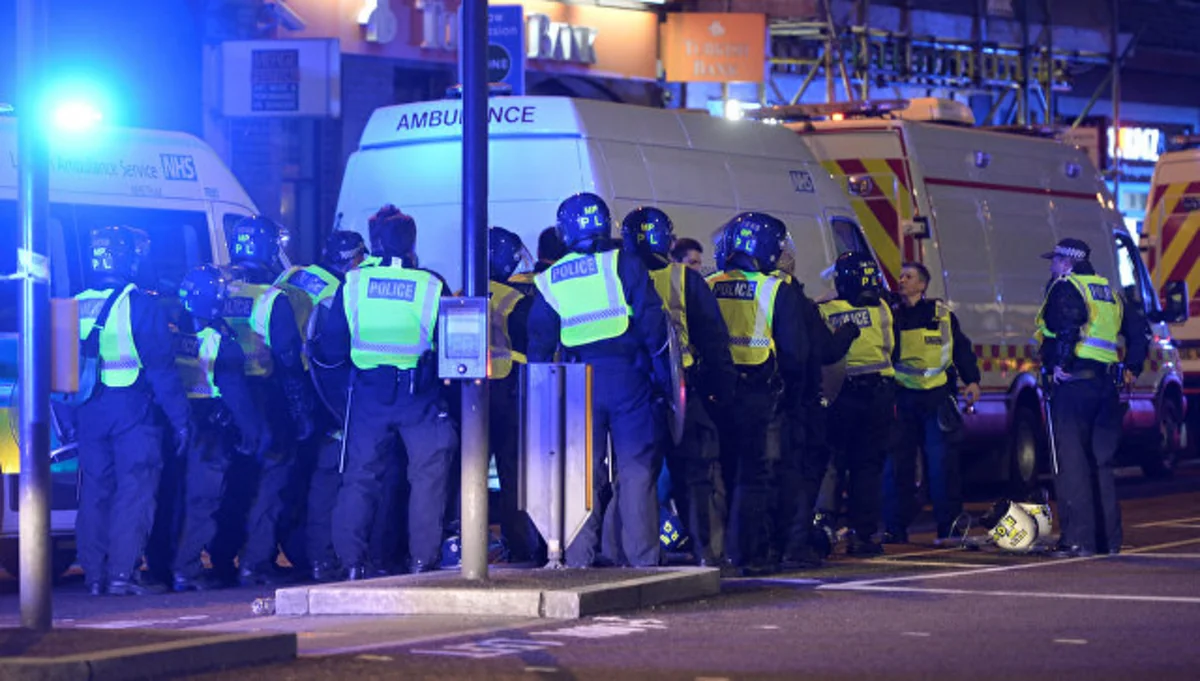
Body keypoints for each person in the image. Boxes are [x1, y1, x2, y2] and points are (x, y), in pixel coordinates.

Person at [527, 192, 670, 568]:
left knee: (580, 472)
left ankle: (578, 561)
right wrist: (662, 377)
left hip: (576, 383)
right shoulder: (625, 262)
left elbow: (540, 345)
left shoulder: (549, 279)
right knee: (636, 469)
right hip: (628, 378)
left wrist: (540, 400)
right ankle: (642, 559)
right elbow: (653, 323)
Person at [316, 205, 459, 577]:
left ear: (377, 243)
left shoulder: (353, 283)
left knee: (359, 477)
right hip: (418, 393)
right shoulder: (430, 284)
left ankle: (350, 564)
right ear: (412, 243)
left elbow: (332, 347)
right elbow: (450, 345)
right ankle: (421, 561)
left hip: (367, 394)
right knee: (427, 476)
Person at [73, 226, 192, 595]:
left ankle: (94, 576)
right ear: (125, 259)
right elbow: (162, 371)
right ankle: (123, 574)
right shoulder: (139, 303)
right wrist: (181, 421)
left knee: (94, 492)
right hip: (131, 409)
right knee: (135, 489)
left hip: (87, 407)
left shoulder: (75, 302)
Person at [621, 206, 736, 566]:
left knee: (636, 478)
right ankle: (706, 554)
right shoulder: (685, 279)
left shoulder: (615, 276)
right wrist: (721, 390)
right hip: (681, 388)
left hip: (633, 391)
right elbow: (714, 339)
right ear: (666, 239)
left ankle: (637, 555)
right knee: (696, 478)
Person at [1036, 238, 1149, 557]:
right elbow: (1138, 332)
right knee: (1101, 464)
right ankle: (1108, 540)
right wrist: (1133, 367)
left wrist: (1060, 363)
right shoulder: (1109, 292)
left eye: (1055, 259)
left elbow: (1068, 325)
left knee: (1071, 464)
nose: (1051, 266)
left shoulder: (1066, 287)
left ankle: (1078, 540)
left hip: (1074, 386)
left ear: (1068, 261)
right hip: (1104, 388)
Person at [708, 212, 806, 574]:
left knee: (719, 472)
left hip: (714, 391)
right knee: (753, 476)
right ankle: (746, 552)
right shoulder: (775, 288)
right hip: (758, 394)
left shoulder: (709, 281)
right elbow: (795, 353)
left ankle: (714, 550)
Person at [222, 215, 315, 584]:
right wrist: (302, 409)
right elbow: (289, 358)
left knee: (236, 482)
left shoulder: (218, 288)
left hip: (222, 397)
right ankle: (255, 561)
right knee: (272, 480)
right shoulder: (272, 299)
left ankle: (222, 557)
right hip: (264, 397)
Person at [171, 265, 269, 591]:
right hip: (209, 431)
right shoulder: (221, 341)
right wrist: (254, 435)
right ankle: (187, 569)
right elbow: (237, 396)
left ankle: (167, 565)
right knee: (203, 503)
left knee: (175, 500)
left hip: (176, 424)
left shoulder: (174, 334)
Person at [883, 262, 982, 546]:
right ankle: (894, 528)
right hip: (902, 398)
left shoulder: (942, 315)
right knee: (897, 467)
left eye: (908, 277)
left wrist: (971, 381)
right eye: (900, 276)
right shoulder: (891, 315)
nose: (901, 280)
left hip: (936, 399)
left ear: (922, 285)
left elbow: (961, 349)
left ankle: (948, 526)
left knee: (942, 466)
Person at [819, 251, 895, 556]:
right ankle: (863, 536)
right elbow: (895, 349)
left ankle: (823, 531)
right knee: (868, 468)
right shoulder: (884, 310)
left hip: (840, 394)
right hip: (878, 393)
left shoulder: (827, 308)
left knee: (833, 465)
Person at [487, 227, 544, 563]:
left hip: (470, 395)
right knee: (513, 473)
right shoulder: (519, 300)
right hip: (510, 391)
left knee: (467, 471)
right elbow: (533, 345)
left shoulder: (466, 289)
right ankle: (520, 544)